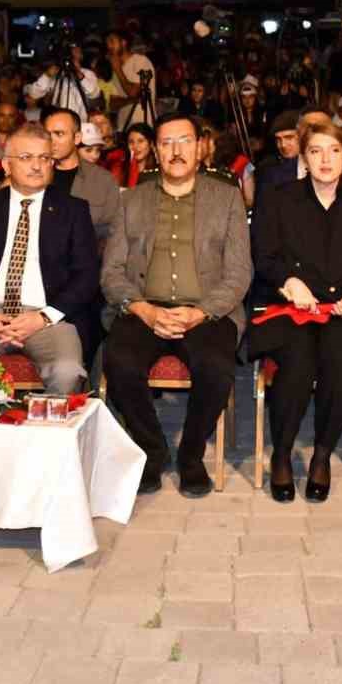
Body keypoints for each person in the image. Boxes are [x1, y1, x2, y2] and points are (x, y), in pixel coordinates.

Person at [102, 113, 251, 498]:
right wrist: (144, 310)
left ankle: (191, 455)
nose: (176, 151)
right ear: (155, 150)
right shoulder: (131, 200)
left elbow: (238, 272)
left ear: (200, 147)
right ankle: (152, 450)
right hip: (143, 308)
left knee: (216, 367)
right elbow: (112, 272)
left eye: (184, 141)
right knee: (119, 363)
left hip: (206, 311)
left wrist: (201, 312)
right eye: (166, 143)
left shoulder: (227, 198)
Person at [250, 120, 342, 503]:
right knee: (296, 361)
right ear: (303, 158)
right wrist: (288, 283)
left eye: (334, 150)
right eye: (315, 151)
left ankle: (322, 454)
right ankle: (281, 453)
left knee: (341, 359)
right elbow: (264, 256)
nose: (325, 159)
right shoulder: (278, 199)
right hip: (291, 310)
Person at [0, 122, 96, 394]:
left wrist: (43, 317)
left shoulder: (73, 211)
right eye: (26, 158)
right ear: (7, 164)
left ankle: (50, 436)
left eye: (44, 158)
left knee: (67, 372)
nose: (37, 166)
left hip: (47, 317)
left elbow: (87, 275)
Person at [42, 108, 120, 245]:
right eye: (48, 135)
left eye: (59, 134)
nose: (52, 142)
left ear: (77, 138)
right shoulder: (35, 175)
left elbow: (113, 233)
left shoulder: (103, 180)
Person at [111, 122, 158, 188]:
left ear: (151, 144)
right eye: (131, 142)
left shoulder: (159, 171)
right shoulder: (120, 169)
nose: (135, 146)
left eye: (140, 141)